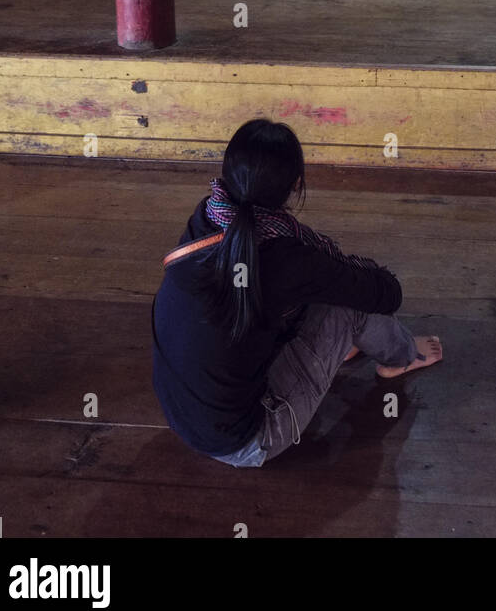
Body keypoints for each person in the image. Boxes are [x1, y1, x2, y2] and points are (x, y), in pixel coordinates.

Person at [152, 119, 442, 467]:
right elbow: (385, 295)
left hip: (182, 414)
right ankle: (402, 357)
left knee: (317, 288)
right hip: (248, 441)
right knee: (350, 305)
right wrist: (353, 275)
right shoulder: (290, 258)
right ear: (296, 185)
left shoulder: (205, 219)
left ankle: (344, 346)